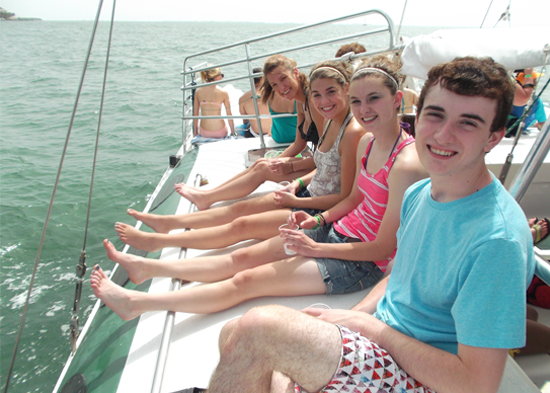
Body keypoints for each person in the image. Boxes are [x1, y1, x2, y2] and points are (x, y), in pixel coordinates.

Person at [203, 57, 536, 393]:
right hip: (383, 343)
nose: (443, 134)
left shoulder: (497, 241)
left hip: (424, 379)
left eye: (468, 123)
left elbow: (476, 385)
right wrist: (356, 317)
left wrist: (368, 328)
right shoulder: (420, 193)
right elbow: (399, 274)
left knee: (257, 331)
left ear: (493, 137)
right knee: (235, 336)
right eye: (435, 115)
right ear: (417, 117)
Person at [90, 56, 427, 319]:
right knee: (243, 255)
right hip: (336, 230)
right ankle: (148, 267)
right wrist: (317, 222)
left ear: (397, 99)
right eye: (357, 101)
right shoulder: (370, 142)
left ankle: (137, 304)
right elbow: (354, 197)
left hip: (360, 262)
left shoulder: (405, 163)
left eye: (374, 99)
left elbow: (383, 249)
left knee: (246, 281)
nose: (364, 110)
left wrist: (316, 247)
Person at [115, 61, 365, 252]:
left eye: (283, 79)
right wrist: (295, 180)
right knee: (243, 204)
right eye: (274, 84)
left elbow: (340, 187)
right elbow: (314, 154)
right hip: (308, 192)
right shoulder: (320, 114)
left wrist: (292, 177)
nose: (322, 100)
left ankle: (161, 238)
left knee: (241, 224)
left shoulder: (341, 124)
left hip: (316, 207)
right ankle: (172, 222)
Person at [174, 54, 325, 210]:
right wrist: (276, 161)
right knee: (262, 163)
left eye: (283, 79)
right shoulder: (302, 102)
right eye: (274, 85)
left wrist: (290, 167)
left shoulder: (313, 103)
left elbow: (327, 159)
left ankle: (206, 198)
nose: (281, 88)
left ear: (295, 72)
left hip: (322, 171)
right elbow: (299, 143)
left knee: (263, 169)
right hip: (317, 162)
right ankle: (209, 194)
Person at [193, 67, 235, 138]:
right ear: (216, 77)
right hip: (220, 131)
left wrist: (195, 133)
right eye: (222, 75)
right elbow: (229, 115)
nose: (222, 77)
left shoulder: (198, 91)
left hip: (204, 132)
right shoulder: (223, 92)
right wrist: (233, 132)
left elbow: (195, 115)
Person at [506, 68, 546, 137]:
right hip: (521, 128)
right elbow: (542, 123)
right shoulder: (537, 101)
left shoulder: (506, 97)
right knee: (533, 118)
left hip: (506, 126)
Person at [236, 67, 272, 138]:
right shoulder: (272, 94)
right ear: (262, 78)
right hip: (271, 131)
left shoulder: (243, 98)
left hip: (254, 133)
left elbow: (245, 120)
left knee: (237, 128)